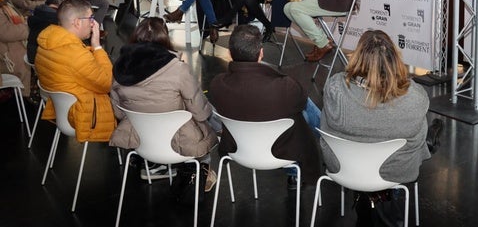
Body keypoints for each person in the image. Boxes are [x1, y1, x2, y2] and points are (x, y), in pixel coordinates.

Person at [109, 17, 218, 188]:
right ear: (165, 39)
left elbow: (119, 112)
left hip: (141, 141)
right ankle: (203, 173)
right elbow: (199, 111)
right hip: (180, 141)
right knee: (204, 116)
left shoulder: (119, 69)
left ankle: (156, 167)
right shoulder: (177, 69)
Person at [210, 24, 321, 187]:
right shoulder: (285, 86)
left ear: (229, 53)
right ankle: (300, 168)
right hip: (281, 151)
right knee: (304, 112)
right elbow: (303, 106)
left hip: (239, 150)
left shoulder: (217, 84)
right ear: (261, 53)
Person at [320, 30, 431, 184]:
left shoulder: (335, 87)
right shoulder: (415, 95)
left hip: (343, 168)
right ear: (394, 59)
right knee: (419, 122)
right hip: (397, 171)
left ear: (358, 56)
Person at [35, 0, 115, 142]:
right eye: (90, 18)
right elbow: (107, 83)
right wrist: (97, 46)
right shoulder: (75, 54)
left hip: (61, 111)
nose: (93, 22)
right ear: (77, 22)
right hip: (81, 115)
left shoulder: (47, 43)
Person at [27, 0, 76, 64]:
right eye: (72, 3)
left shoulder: (42, 11)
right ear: (61, 1)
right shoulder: (54, 18)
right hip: (45, 61)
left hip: (36, 56)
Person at [0, 0, 30, 98]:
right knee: (25, 59)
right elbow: (5, 33)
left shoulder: (4, 1)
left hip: (8, 44)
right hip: (4, 53)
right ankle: (25, 96)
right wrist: (27, 28)